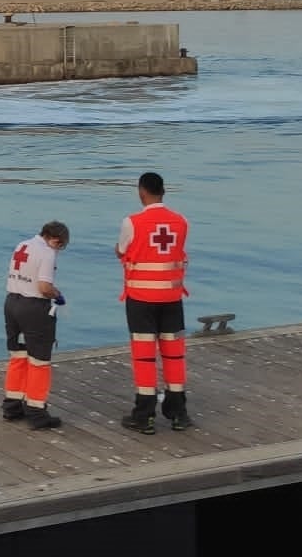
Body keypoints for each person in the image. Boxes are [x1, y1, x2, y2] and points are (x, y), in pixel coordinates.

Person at [116, 172, 191, 433]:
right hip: (172, 297)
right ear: (164, 191)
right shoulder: (181, 221)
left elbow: (123, 251)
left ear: (141, 191)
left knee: (144, 357)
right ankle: (178, 412)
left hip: (141, 298)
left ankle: (145, 415)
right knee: (174, 354)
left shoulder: (132, 222)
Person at [3, 221, 70, 429]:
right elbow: (43, 287)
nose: (59, 251)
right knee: (40, 361)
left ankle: (12, 406)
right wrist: (57, 295)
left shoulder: (22, 245)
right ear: (56, 240)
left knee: (18, 355)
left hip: (12, 303)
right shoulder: (47, 252)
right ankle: (36, 412)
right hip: (34, 308)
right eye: (61, 247)